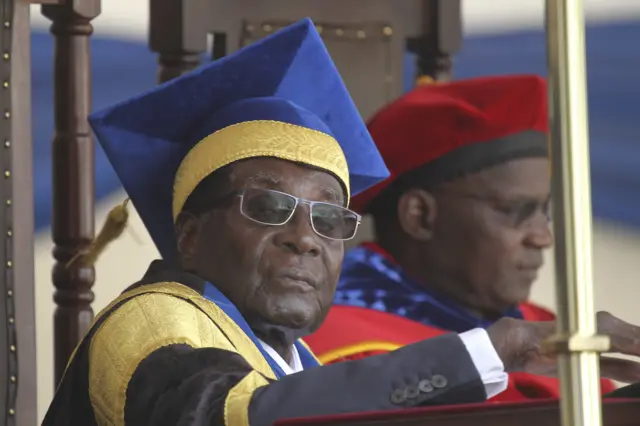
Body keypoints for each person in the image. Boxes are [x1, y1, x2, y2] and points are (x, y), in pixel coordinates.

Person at [42, 20, 640, 426]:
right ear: (191, 235)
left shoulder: (288, 356)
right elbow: (235, 414)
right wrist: (494, 349)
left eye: (330, 218)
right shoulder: (156, 317)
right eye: (270, 207)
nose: (306, 238)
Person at [304, 75, 617, 401]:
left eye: (544, 211)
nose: (543, 237)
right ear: (419, 215)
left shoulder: (548, 328)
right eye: (515, 210)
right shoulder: (343, 350)